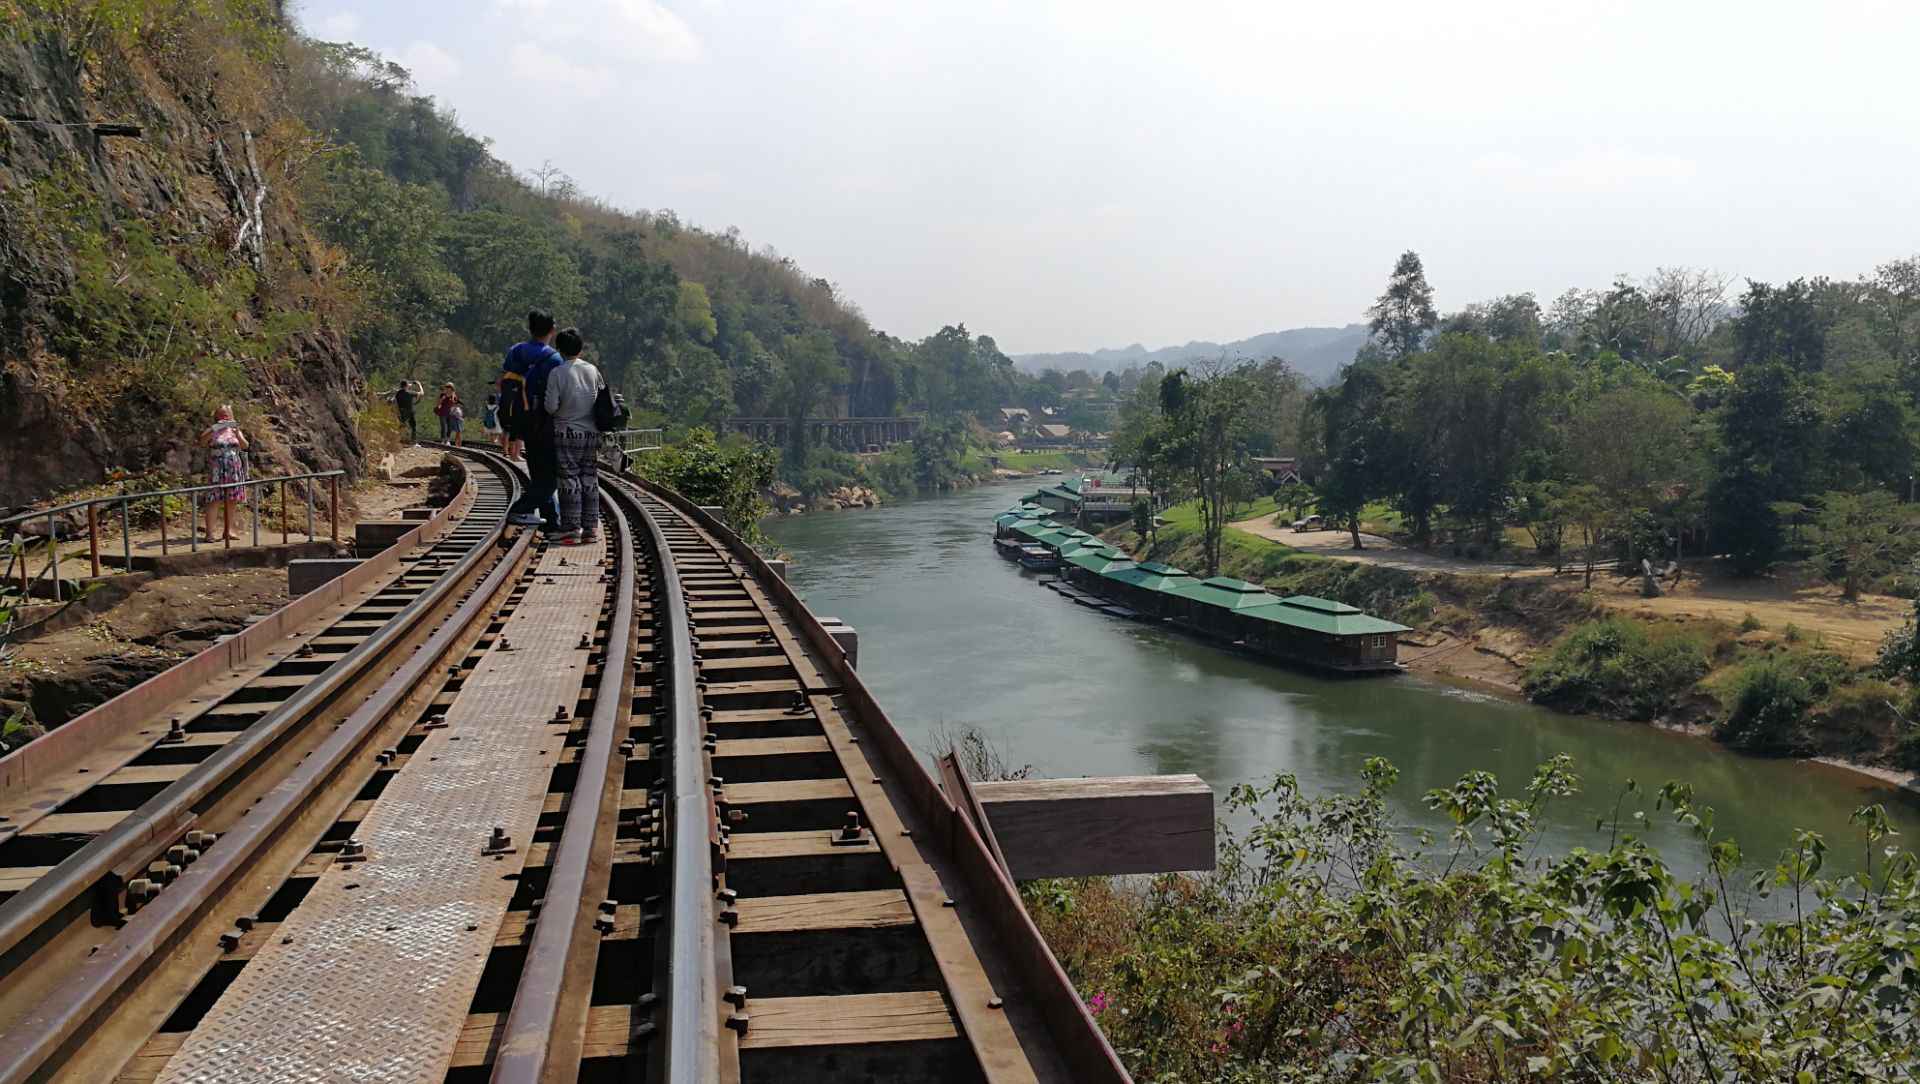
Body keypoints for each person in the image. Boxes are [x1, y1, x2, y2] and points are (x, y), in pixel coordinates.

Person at [543, 327, 607, 544]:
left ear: (559, 349)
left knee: (569, 478)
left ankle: (571, 527)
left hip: (567, 432)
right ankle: (590, 529)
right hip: (591, 434)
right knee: (589, 478)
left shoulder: (558, 373)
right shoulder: (592, 370)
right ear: (580, 348)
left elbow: (551, 407)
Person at [501, 309, 564, 528]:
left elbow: (507, 382)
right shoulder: (554, 358)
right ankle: (520, 509)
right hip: (545, 423)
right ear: (552, 330)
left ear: (530, 328)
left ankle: (551, 523)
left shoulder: (515, 351)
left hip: (521, 420)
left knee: (539, 474)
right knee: (551, 479)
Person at [200, 405, 250, 542]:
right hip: (217, 467)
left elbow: (245, 445)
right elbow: (202, 441)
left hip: (233, 467)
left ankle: (228, 530)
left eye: (227, 414)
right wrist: (216, 428)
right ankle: (210, 533)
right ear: (216, 416)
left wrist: (238, 433)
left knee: (232, 499)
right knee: (214, 498)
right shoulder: (213, 429)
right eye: (221, 414)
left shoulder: (234, 429)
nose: (225, 416)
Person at [386, 379, 423, 444]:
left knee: (401, 425)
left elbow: (397, 394)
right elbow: (421, 393)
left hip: (401, 411)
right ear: (406, 386)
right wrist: (419, 385)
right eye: (408, 384)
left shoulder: (398, 393)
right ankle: (413, 440)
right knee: (413, 426)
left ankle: (398, 439)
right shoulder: (410, 393)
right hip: (410, 412)